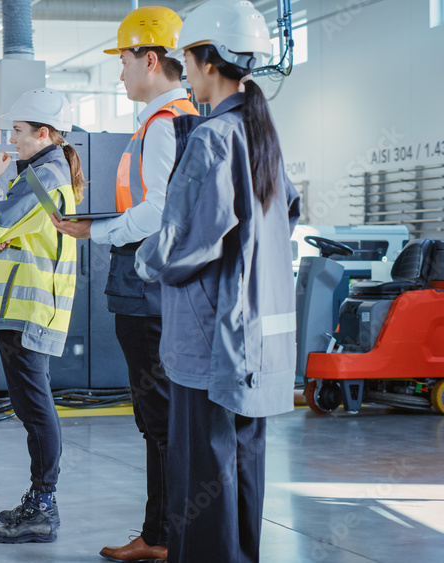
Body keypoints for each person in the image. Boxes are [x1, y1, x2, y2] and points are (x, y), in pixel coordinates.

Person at [134, 1, 301, 561]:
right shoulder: (264, 137)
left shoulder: (211, 139)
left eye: (187, 57)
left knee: (202, 472)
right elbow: (281, 221)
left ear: (205, 62)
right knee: (241, 464)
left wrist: (142, 260)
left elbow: (186, 244)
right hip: (257, 337)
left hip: (209, 341)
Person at [50, 7, 196, 562]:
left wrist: (95, 230)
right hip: (159, 285)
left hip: (148, 285)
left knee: (157, 415)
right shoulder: (175, 120)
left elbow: (158, 211)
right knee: (160, 414)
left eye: (125, 60)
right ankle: (163, 532)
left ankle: (162, 536)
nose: (120, 73)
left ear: (151, 59)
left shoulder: (165, 125)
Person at [0, 88, 83, 544]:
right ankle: (39, 499)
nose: (11, 139)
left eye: (18, 131)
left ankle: (43, 505)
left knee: (36, 409)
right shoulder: (41, 173)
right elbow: (6, 234)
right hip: (23, 306)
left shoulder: (42, 177)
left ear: (43, 133)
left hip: (30, 307)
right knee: (30, 407)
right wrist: (2, 234)